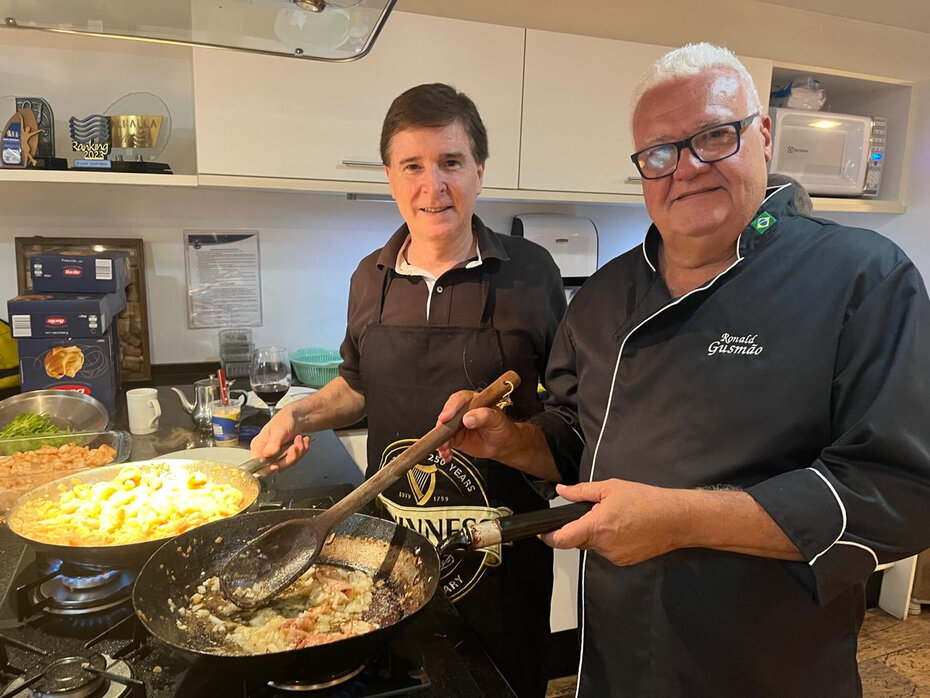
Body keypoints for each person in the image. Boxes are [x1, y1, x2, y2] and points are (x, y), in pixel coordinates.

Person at [436, 43, 930, 696]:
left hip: (768, 668)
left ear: (763, 134)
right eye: (660, 152)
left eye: (714, 136)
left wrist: (680, 519)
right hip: (616, 654)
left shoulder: (863, 277)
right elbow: (580, 435)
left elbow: (900, 493)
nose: (686, 168)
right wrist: (514, 440)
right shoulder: (608, 294)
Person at [252, 82, 566, 697]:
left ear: (479, 170)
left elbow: (568, 408)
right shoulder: (368, 277)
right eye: (413, 166)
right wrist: (300, 414)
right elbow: (357, 388)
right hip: (388, 548)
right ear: (390, 177)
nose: (433, 186)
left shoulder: (533, 274)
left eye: (451, 162)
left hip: (500, 551)